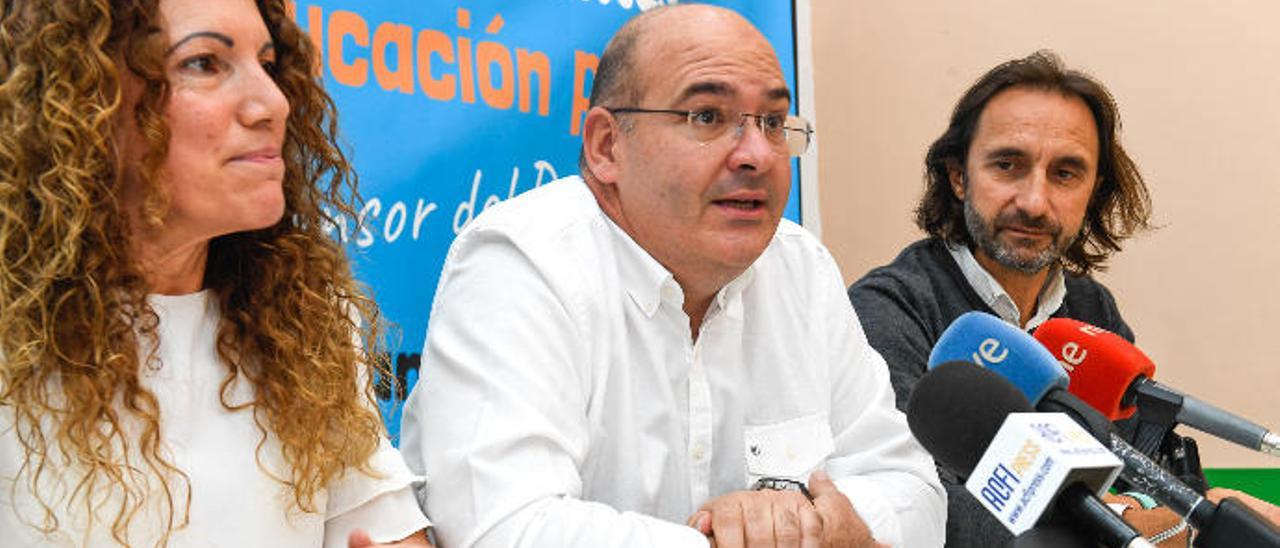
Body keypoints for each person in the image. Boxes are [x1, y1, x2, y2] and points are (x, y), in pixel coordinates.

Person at [399, 4, 945, 548]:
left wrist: (818, 526)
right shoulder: (522, 261)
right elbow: (504, 529)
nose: (757, 153)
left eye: (774, 123)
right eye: (707, 116)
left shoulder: (800, 266)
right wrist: (728, 541)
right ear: (607, 146)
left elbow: (915, 493)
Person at [0, 0, 430, 546]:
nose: (272, 103)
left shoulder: (308, 324)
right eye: (204, 63)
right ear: (82, 102)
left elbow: (387, 533)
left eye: (269, 65)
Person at [846, 51, 1191, 546]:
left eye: (1066, 173)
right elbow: (918, 507)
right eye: (1008, 165)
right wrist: (1115, 528)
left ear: (1093, 191)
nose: (1033, 201)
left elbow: (1138, 477)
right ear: (959, 176)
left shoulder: (1093, 311)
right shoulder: (890, 307)